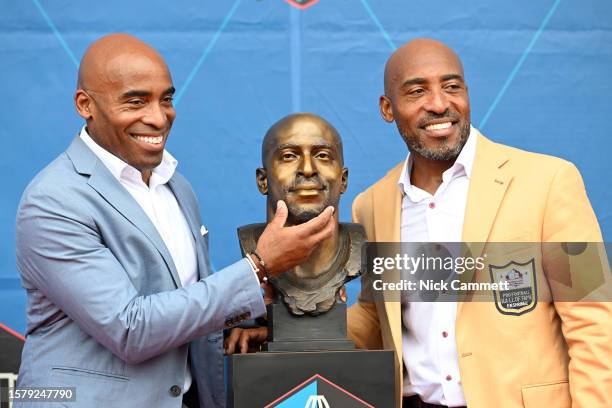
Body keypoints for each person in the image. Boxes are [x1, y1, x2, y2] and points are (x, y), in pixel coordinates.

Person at [14, 34, 335, 408]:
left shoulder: (174, 184)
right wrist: (259, 267)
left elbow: (188, 303)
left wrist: (266, 317)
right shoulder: (54, 200)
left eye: (165, 99)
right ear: (85, 104)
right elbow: (130, 328)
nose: (158, 117)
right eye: (135, 101)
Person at [346, 38, 612, 408]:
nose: (439, 104)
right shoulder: (372, 206)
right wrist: (287, 330)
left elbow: (594, 323)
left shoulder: (549, 182)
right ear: (387, 108)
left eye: (452, 87)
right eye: (417, 91)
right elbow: (378, 318)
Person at [226, 113, 362, 351]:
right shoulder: (251, 247)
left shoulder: (362, 244)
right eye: (289, 156)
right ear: (262, 180)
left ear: (343, 180)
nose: (308, 169)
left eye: (322, 156)